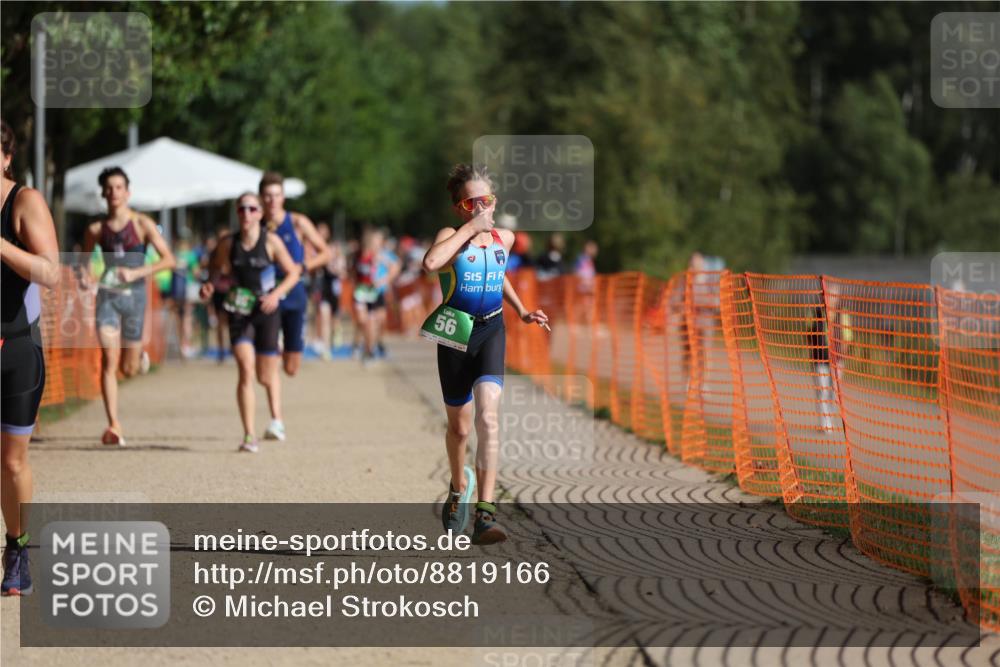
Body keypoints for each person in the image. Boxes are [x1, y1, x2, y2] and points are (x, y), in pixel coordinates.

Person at [422, 163, 549, 545]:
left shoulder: (504, 238)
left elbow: (500, 273)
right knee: (459, 429)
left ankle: (485, 513)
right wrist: (468, 231)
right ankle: (458, 487)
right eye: (471, 203)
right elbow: (430, 264)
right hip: (455, 334)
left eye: (486, 200)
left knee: (488, 420)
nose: (481, 208)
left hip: (491, 331)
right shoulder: (450, 236)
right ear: (459, 208)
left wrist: (522, 310)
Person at [1, 119, 60, 595]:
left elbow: (50, 272)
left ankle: (17, 547)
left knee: (11, 462)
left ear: (6, 157)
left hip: (16, 348)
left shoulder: (24, 202)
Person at [201, 193, 301, 453]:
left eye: (252, 209)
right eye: (242, 209)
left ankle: (277, 418)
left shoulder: (271, 241)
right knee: (246, 369)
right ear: (237, 213)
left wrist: (276, 295)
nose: (246, 213)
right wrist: (210, 285)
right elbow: (215, 268)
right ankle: (249, 435)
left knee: (265, 376)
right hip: (239, 310)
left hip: (266, 312)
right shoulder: (228, 243)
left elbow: (294, 272)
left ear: (260, 213)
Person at [82, 167, 175, 447]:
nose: (114, 193)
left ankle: (138, 357)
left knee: (128, 367)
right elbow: (84, 265)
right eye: (109, 188)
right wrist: (87, 279)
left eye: (119, 187)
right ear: (103, 193)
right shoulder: (95, 230)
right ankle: (114, 425)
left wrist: (136, 273)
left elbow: (169, 260)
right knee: (109, 361)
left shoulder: (142, 224)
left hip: (135, 299)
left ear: (128, 192)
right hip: (108, 299)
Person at [259, 172, 331, 386]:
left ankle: (284, 345)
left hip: (294, 292)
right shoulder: (255, 223)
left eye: (276, 195)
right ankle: (273, 348)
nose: (272, 200)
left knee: (291, 368)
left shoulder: (298, 222)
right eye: (268, 195)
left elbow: (326, 253)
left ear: (283, 197)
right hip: (267, 294)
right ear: (261, 197)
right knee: (267, 363)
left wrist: (304, 266)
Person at [352, 228, 400, 364]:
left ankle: (373, 346)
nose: (375, 243)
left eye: (378, 240)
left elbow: (396, 266)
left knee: (378, 321)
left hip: (378, 292)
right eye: (373, 240)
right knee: (364, 321)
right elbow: (355, 271)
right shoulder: (363, 254)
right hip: (364, 292)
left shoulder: (383, 255)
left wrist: (384, 280)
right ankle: (364, 346)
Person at [311, 222, 346, 360]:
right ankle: (325, 348)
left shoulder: (333, 248)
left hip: (333, 287)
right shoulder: (313, 249)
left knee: (334, 317)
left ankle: (337, 330)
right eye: (318, 232)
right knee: (323, 316)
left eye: (323, 232)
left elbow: (341, 269)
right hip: (321, 287)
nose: (320, 235)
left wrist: (332, 264)